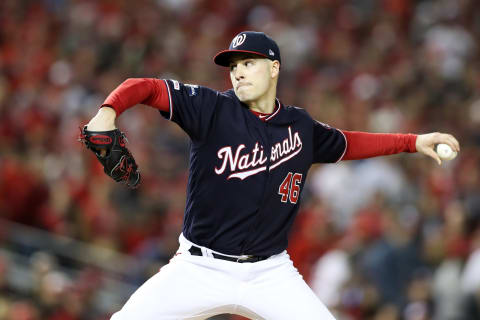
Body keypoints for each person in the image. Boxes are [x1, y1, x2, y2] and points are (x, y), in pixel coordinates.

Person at [84, 31, 460, 319]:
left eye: (249, 62)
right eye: (233, 66)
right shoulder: (211, 108)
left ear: (274, 68)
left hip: (270, 272)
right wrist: (107, 110)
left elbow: (349, 142)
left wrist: (413, 141)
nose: (238, 72)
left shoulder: (299, 125)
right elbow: (147, 87)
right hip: (199, 266)